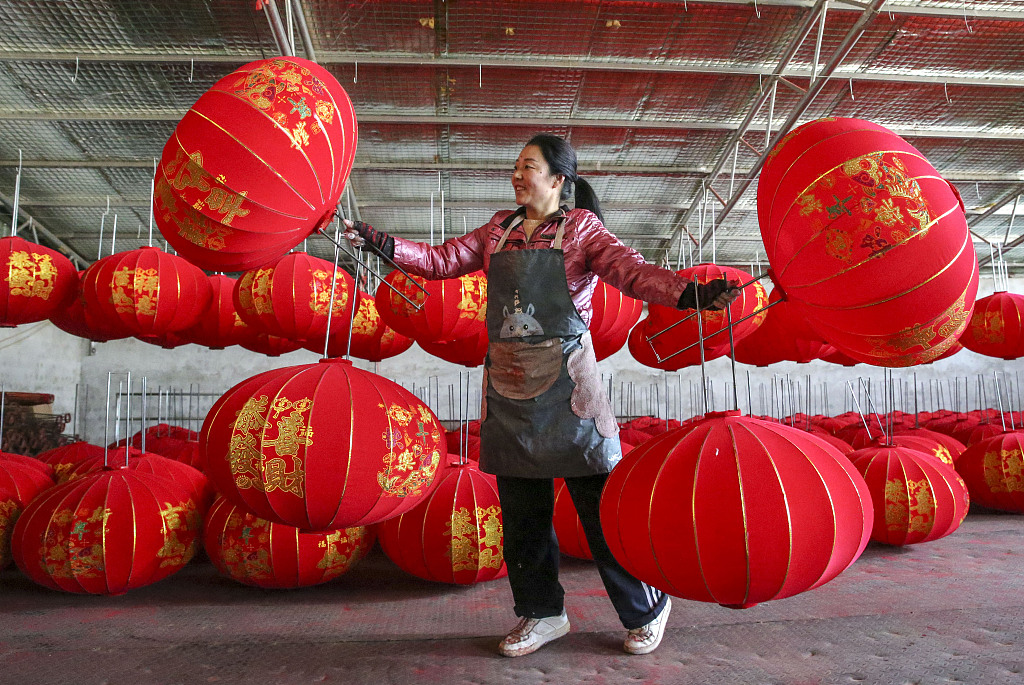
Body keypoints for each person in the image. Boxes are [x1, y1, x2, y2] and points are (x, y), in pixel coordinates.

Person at [344, 133, 738, 657]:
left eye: (528, 166)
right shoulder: (496, 231)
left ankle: (646, 606)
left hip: (571, 388)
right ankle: (541, 613)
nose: (517, 175)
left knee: (599, 512)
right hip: (508, 390)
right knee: (522, 515)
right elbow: (440, 262)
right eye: (516, 166)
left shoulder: (581, 231)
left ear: (558, 179)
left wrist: (690, 294)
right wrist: (379, 240)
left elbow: (633, 271)